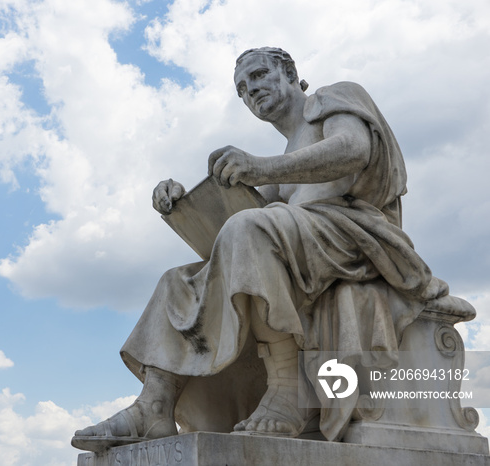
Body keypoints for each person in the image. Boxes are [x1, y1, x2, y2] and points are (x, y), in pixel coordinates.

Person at [72, 47, 450, 452]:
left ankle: (289, 388)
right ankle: (155, 406)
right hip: (310, 241)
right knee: (178, 281)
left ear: (288, 72)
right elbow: (238, 223)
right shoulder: (290, 158)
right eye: (241, 89)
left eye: (257, 76)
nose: (250, 91)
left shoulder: (335, 97)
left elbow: (354, 149)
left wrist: (262, 168)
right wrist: (183, 202)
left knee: (251, 225)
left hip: (359, 236)